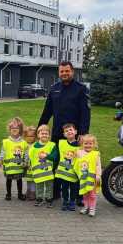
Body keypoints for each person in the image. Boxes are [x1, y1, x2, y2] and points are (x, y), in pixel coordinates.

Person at [38, 61, 90, 201]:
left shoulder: (81, 89)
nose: (64, 74)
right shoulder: (54, 88)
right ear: (59, 73)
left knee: (76, 165)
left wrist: (83, 134)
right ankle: (55, 193)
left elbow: (86, 113)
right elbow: (47, 111)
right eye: (62, 71)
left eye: (67, 71)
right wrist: (40, 128)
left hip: (75, 136)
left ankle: (78, 196)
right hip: (57, 134)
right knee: (55, 164)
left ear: (72, 72)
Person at [29, 124, 58, 208]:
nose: (44, 135)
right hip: (38, 172)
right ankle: (39, 199)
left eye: (46, 133)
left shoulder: (52, 145)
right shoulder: (33, 147)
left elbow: (54, 157)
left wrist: (46, 156)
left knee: (49, 186)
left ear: (49, 135)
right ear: (38, 135)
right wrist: (31, 166)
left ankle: (49, 199)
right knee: (39, 186)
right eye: (42, 133)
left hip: (48, 171)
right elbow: (32, 158)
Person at [0, 117, 27, 201]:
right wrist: (0, 159)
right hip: (9, 166)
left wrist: (26, 161)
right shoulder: (6, 142)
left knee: (19, 180)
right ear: (9, 129)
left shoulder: (23, 142)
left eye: (17, 128)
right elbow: (3, 151)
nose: (14, 129)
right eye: (12, 128)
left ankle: (20, 194)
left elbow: (26, 153)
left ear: (20, 130)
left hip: (19, 167)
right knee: (9, 180)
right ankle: (8, 194)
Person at [74, 134, 101, 217]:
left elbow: (98, 165)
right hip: (84, 178)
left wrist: (98, 175)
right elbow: (76, 163)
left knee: (92, 194)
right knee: (85, 193)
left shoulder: (96, 154)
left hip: (92, 178)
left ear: (94, 144)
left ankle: (92, 208)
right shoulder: (79, 153)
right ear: (82, 144)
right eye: (86, 143)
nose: (88, 145)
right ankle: (86, 206)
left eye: (90, 143)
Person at [55, 123, 80, 211]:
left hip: (74, 172)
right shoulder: (61, 143)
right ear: (64, 134)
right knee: (64, 187)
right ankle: (65, 201)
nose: (69, 131)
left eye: (71, 130)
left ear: (75, 132)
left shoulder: (80, 145)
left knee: (74, 188)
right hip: (63, 172)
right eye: (66, 131)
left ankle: (72, 201)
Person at [23, 126, 37, 201]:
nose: (30, 138)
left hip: (33, 165)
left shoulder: (36, 144)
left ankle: (33, 192)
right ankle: (28, 191)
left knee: (33, 179)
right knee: (28, 179)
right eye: (28, 136)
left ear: (35, 136)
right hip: (27, 165)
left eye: (32, 136)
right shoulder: (24, 144)